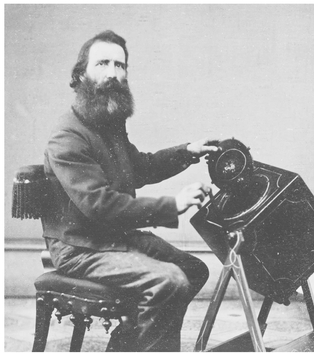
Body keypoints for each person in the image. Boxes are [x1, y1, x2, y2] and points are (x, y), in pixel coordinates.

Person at [42, 30, 218, 352]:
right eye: (103, 63)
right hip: (80, 247)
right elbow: (100, 205)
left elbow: (141, 168)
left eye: (120, 66)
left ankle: (125, 346)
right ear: (81, 74)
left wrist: (188, 151)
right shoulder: (67, 136)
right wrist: (173, 205)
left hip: (111, 237)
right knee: (170, 280)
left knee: (194, 270)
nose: (112, 73)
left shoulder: (107, 125)